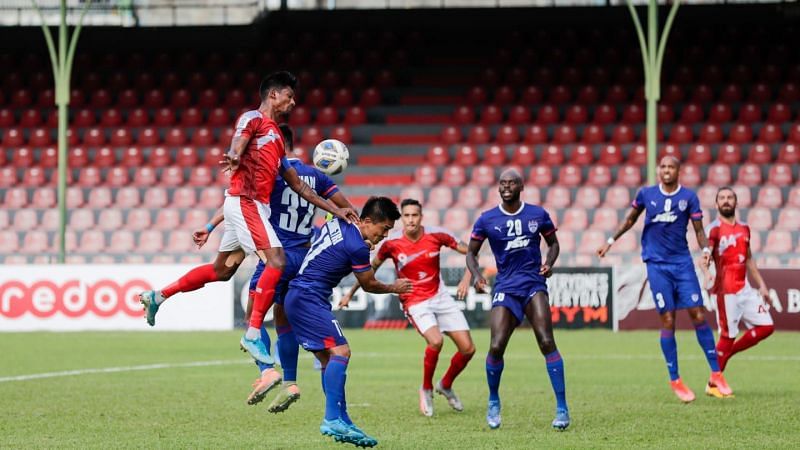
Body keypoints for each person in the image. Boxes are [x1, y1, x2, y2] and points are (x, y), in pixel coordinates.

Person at [138, 71, 358, 364]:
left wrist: (336, 209)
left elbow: (298, 185)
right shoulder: (253, 118)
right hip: (246, 202)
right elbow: (238, 141)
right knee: (277, 260)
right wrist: (234, 155)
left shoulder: (278, 139)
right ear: (273, 95)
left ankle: (159, 296)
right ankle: (253, 332)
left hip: (247, 206)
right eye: (289, 96)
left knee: (222, 271)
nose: (293, 103)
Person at [192, 124, 355, 410]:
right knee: (283, 319)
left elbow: (238, 203)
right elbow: (345, 208)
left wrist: (209, 225)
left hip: (275, 256)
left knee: (252, 317)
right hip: (303, 256)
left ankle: (266, 373)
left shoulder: (270, 174)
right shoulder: (316, 175)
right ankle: (290, 381)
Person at [597, 156, 732, 402]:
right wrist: (610, 241)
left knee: (698, 314)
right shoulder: (647, 194)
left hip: (682, 264)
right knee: (668, 320)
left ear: (679, 171)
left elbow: (699, 231)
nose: (666, 170)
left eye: (671, 167)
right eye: (663, 167)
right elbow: (630, 219)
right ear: (659, 171)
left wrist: (705, 252)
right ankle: (676, 380)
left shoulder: (689, 197)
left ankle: (716, 373)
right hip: (657, 266)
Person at [283, 197, 412, 447]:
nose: (384, 235)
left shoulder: (340, 221)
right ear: (365, 221)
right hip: (308, 297)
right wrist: (394, 287)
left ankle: (342, 418)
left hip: (300, 296)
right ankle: (332, 418)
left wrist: (364, 240)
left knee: (326, 359)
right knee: (342, 351)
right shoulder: (357, 246)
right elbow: (369, 283)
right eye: (383, 228)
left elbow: (334, 233)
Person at [339, 198, 475, 417]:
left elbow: (470, 252)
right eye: (407, 216)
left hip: (440, 295)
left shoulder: (437, 235)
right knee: (436, 341)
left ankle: (446, 384)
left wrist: (468, 278)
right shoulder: (391, 243)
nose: (411, 220)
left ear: (421, 217)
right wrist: (349, 293)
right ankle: (426, 388)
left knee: (468, 349)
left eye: (415, 215)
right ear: (402, 218)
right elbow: (369, 270)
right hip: (414, 300)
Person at [466, 169, 569, 431]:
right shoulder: (487, 219)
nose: (506, 187)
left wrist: (549, 263)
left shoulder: (538, 214)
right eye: (502, 183)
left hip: (534, 285)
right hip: (506, 288)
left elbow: (554, 244)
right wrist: (477, 276)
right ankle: (493, 400)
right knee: (497, 346)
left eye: (511, 183)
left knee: (546, 341)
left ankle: (562, 408)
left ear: (521, 186)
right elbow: (471, 253)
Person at [701, 187, 774, 397]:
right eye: (722, 198)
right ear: (716, 205)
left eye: (729, 197)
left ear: (736, 203)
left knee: (766, 327)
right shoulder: (713, 230)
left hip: (745, 289)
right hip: (726, 291)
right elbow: (705, 254)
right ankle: (713, 382)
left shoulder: (745, 229)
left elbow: (749, 259)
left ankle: (724, 356)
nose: (726, 201)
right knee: (727, 335)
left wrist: (762, 284)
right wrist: (706, 271)